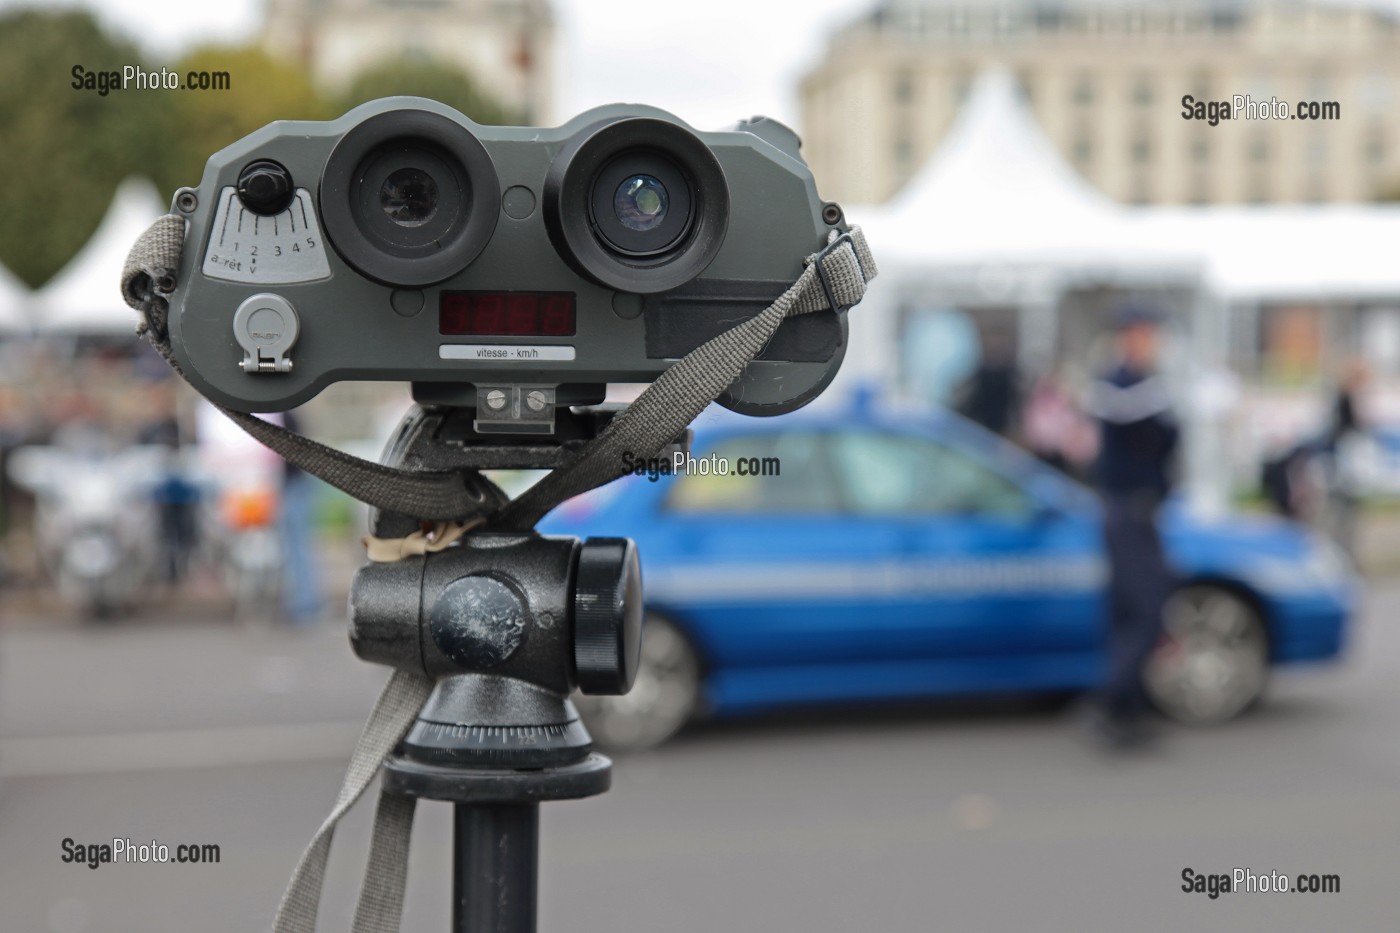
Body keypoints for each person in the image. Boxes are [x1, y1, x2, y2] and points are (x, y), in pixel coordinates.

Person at [1082, 306, 1178, 749]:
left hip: (1138, 512)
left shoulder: (1141, 384)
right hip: (1129, 513)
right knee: (1142, 609)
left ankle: (1129, 708)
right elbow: (1145, 431)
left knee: (1132, 611)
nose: (1149, 341)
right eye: (1143, 333)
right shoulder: (1121, 386)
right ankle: (1116, 703)